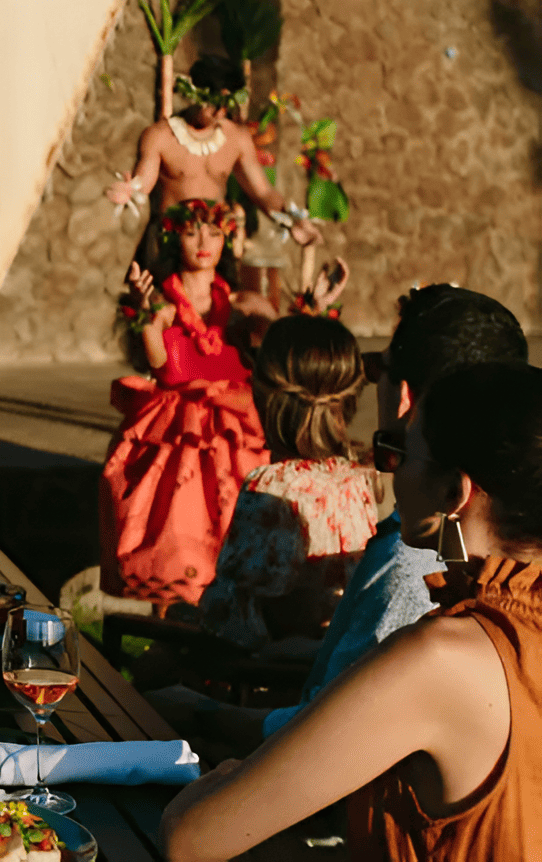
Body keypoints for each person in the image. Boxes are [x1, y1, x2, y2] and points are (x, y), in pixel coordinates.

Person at [162, 362, 542, 861]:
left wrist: (226, 773)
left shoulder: (440, 658)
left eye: (400, 454)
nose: (388, 470)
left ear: (454, 493)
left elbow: (192, 838)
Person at [99, 199, 274, 607]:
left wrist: (312, 306)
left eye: (213, 233)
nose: (203, 243)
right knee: (173, 521)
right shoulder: (161, 301)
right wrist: (146, 313)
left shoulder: (243, 305)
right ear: (172, 238)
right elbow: (159, 361)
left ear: (227, 239)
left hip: (234, 425)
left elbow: (282, 346)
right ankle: (166, 613)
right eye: (191, 232)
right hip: (176, 427)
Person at [197, 317, 376, 651]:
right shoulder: (359, 481)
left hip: (271, 667)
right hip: (337, 657)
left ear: (263, 396)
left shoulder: (272, 486)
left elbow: (231, 611)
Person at [105, 55, 318, 271]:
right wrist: (128, 192)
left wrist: (292, 220)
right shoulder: (161, 136)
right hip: (172, 244)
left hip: (215, 247)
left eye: (226, 105)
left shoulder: (237, 138)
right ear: (193, 94)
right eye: (213, 103)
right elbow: (142, 185)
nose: (219, 113)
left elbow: (262, 192)